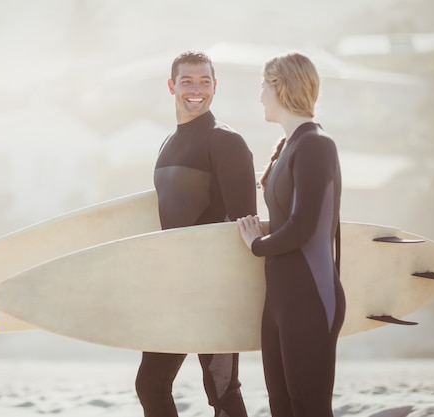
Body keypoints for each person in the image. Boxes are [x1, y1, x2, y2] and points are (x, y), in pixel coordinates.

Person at [135, 51, 256, 417]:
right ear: (171, 86)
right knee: (151, 385)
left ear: (215, 87)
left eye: (204, 81)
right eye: (187, 81)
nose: (196, 89)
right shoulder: (168, 143)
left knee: (221, 389)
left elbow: (244, 223)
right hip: (174, 286)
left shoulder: (226, 142)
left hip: (212, 289)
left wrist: (236, 293)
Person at [237, 52, 346, 417]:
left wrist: (256, 245)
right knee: (281, 407)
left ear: (280, 86)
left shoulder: (316, 145)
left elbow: (303, 226)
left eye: (263, 86)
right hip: (280, 301)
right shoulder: (286, 147)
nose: (260, 96)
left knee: (309, 408)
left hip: (311, 297)